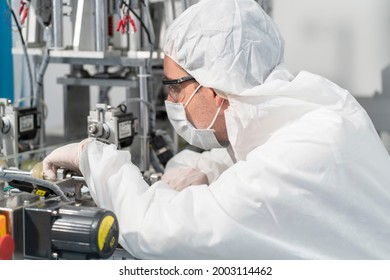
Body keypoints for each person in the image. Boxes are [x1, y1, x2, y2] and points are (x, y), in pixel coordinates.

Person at [43, 0, 390, 259]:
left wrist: (92, 156)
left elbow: (155, 232)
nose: (171, 99)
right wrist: (204, 169)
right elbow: (256, 159)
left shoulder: (292, 160)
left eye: (174, 86)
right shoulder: (321, 113)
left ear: (212, 87)